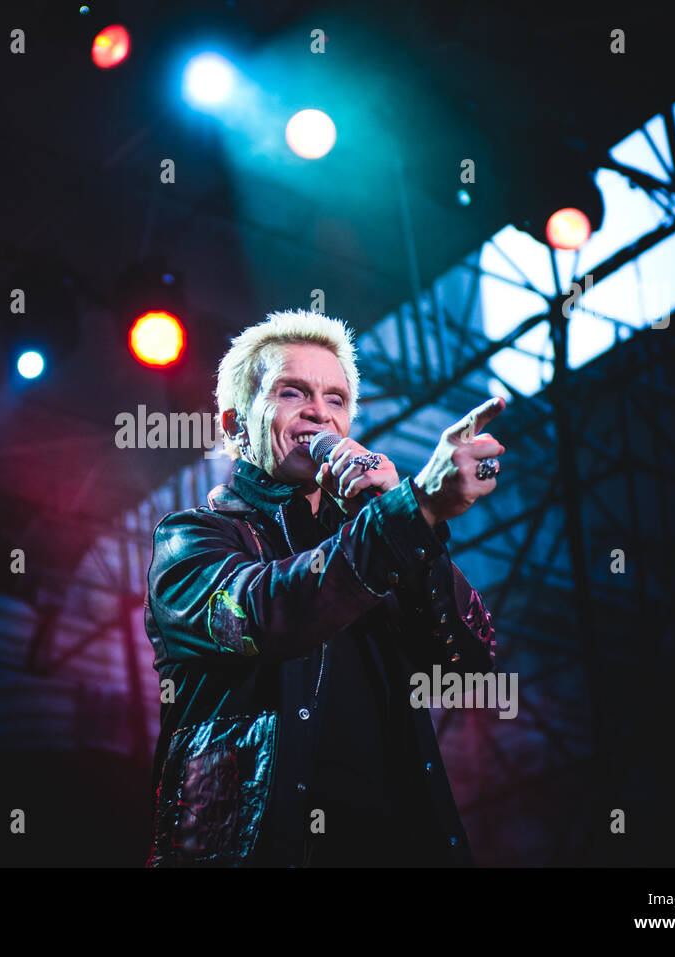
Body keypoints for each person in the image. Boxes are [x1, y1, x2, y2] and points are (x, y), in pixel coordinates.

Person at [143, 309, 504, 867]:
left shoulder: (376, 538)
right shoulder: (191, 540)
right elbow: (268, 615)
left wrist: (407, 524)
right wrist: (410, 513)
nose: (319, 412)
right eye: (292, 392)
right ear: (236, 424)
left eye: (336, 400)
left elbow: (471, 668)